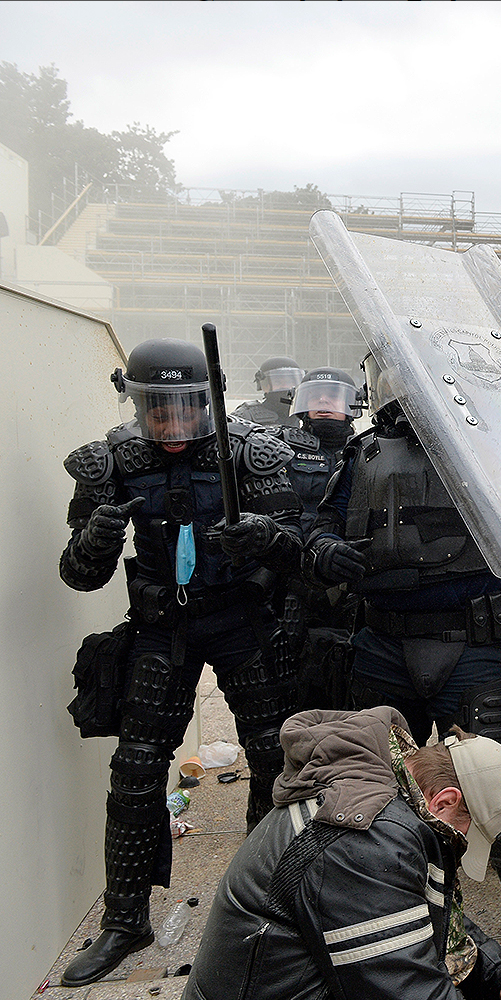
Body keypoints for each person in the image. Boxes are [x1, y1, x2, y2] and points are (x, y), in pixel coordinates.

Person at [58, 338, 305, 986]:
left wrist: (265, 537)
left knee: (274, 757)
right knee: (137, 769)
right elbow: (79, 576)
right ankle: (124, 918)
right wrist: (96, 540)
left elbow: (298, 552)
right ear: (138, 408)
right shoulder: (114, 461)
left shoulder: (248, 451)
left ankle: (266, 900)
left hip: (237, 620)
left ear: (207, 404)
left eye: (183, 409)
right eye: (156, 411)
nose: (171, 425)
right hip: (159, 627)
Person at [304, 352, 501, 977]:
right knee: (369, 781)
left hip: (471, 646)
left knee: (497, 782)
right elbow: (320, 527)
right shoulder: (363, 455)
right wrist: (326, 551)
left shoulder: (489, 451)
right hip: (383, 643)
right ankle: (375, 897)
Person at [184, 707, 501, 1000]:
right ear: (446, 800)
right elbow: (405, 987)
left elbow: (418, 914)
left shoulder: (386, 787)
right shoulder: (368, 840)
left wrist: (499, 971)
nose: (461, 843)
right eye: (466, 833)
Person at [269, 366, 364, 712]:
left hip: (352, 584)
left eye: (334, 396)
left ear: (354, 405)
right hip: (294, 584)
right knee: (287, 676)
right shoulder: (276, 450)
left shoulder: (367, 452)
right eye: (316, 395)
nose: (324, 401)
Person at [232, 355, 305, 428]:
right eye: (278, 383)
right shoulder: (246, 415)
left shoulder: (305, 414)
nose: (285, 386)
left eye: (289, 382)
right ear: (265, 386)